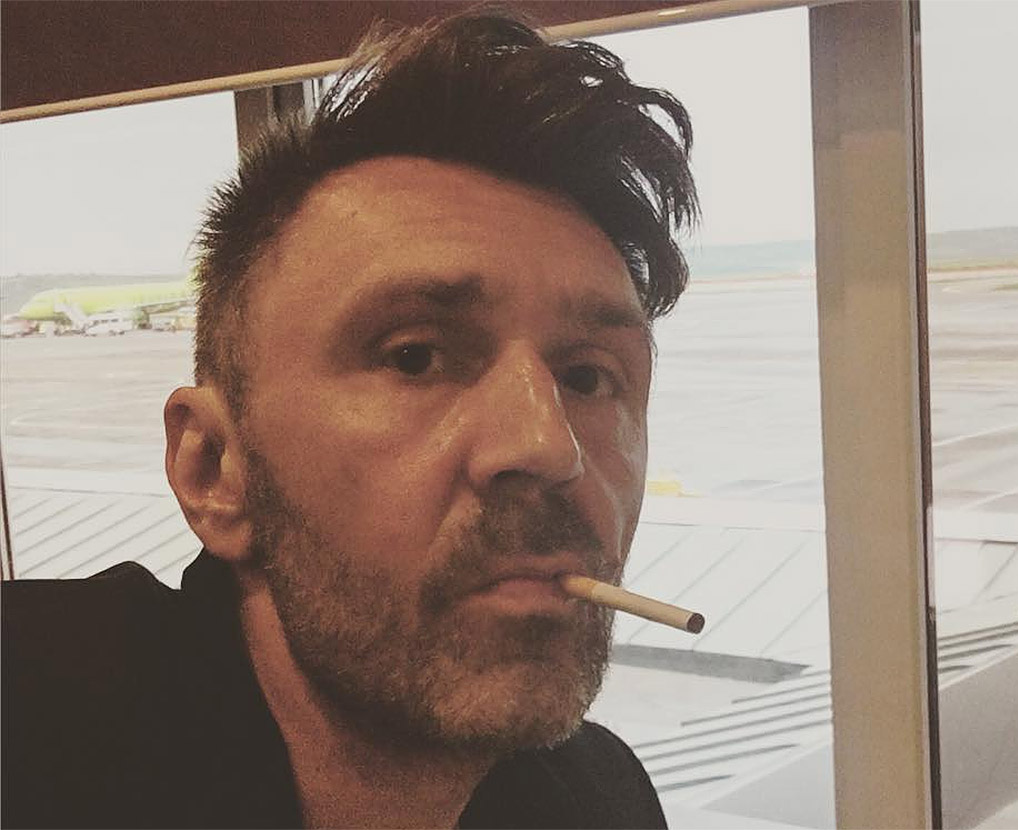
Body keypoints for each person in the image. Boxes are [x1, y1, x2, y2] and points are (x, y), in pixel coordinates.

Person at [1, 9, 697, 829]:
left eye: (586, 376)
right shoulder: (32, 728)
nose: (548, 446)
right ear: (213, 467)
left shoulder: (601, 800)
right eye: (415, 357)